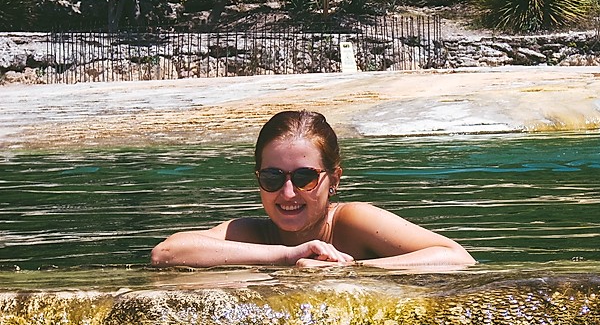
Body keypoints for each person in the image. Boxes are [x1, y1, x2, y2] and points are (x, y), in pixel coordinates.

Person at [151, 110, 475, 269]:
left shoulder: (351, 222)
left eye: (305, 177)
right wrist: (290, 255)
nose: (288, 193)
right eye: (273, 178)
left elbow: (457, 257)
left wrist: (351, 270)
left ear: (333, 179)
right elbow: (166, 254)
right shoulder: (252, 233)